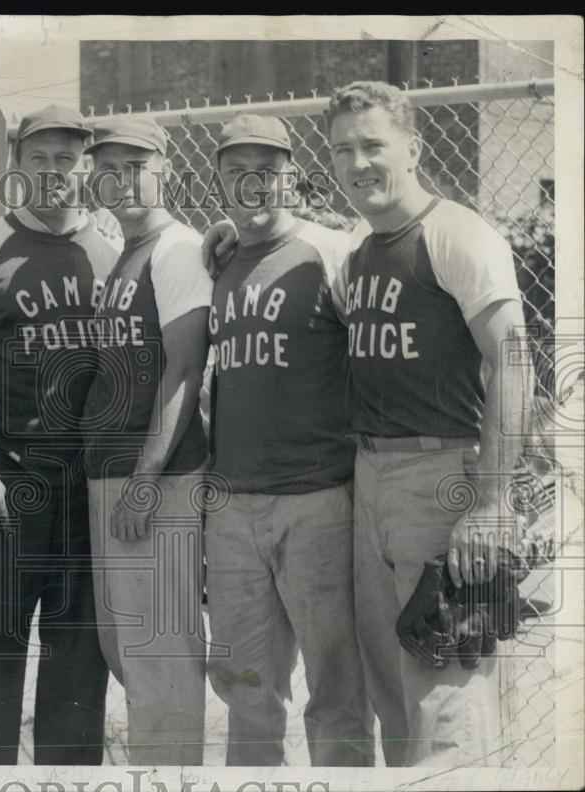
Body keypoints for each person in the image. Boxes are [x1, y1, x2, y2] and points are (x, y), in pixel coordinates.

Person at [325, 81, 531, 767]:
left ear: (412, 148)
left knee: (446, 695)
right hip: (371, 476)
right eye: (342, 150)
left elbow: (515, 362)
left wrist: (493, 503)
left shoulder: (457, 232)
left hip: (441, 473)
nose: (358, 163)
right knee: (392, 689)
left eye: (373, 145)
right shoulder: (357, 249)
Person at [0, 104, 120, 765]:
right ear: (17, 165)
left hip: (81, 490)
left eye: (68, 159)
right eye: (40, 158)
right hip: (5, 488)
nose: (55, 172)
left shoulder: (109, 247)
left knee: (77, 671)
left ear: (86, 167)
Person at [202, 114, 373, 766]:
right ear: (218, 177)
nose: (252, 183)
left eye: (267, 170)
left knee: (335, 689)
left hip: (318, 500)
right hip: (233, 507)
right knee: (246, 692)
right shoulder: (212, 262)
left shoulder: (333, 251)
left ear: (292, 176)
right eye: (237, 170)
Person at [81, 115, 213, 765]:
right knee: (128, 652)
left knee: (162, 656)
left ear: (164, 170)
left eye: (137, 165)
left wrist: (144, 479)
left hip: (154, 482)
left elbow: (185, 370)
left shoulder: (176, 249)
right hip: (114, 476)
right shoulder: (123, 254)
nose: (123, 179)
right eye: (108, 167)